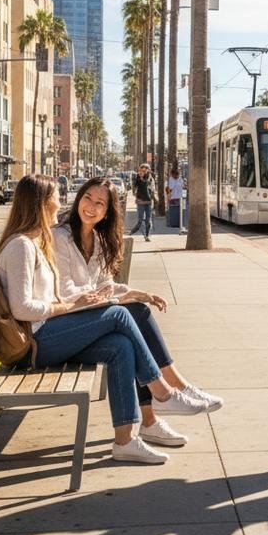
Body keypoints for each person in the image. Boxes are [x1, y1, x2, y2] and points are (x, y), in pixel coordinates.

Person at [0, 174, 211, 464]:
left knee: (120, 346)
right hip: (33, 344)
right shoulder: (21, 245)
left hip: (47, 334)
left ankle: (125, 441)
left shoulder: (36, 241)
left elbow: (67, 292)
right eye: (56, 196)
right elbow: (22, 309)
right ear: (42, 203)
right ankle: (162, 393)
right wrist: (68, 305)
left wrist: (121, 295)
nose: (61, 201)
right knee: (119, 314)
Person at [54, 177, 223, 451]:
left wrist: (137, 293)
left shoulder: (97, 240)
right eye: (87, 198)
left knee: (133, 322)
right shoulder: (61, 237)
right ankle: (169, 391)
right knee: (129, 316)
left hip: (85, 320)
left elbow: (105, 286)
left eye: (100, 203)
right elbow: (66, 291)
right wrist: (106, 297)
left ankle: (150, 420)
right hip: (64, 327)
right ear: (78, 199)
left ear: (107, 212)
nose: (91, 207)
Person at [133, 164, 157, 240]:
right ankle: (141, 233)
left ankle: (147, 235)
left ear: (149, 170)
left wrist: (155, 196)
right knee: (140, 219)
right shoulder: (137, 178)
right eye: (142, 168)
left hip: (149, 202)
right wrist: (140, 177)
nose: (144, 170)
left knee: (148, 219)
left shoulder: (151, 179)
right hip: (140, 201)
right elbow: (134, 188)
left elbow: (153, 189)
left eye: (146, 168)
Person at [167, 164, 185, 234]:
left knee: (181, 210)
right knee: (173, 210)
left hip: (180, 197)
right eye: (175, 175)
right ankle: (173, 223)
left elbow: (183, 186)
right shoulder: (170, 179)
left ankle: (180, 223)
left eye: (177, 175)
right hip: (173, 197)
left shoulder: (180, 178)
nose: (176, 177)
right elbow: (170, 187)